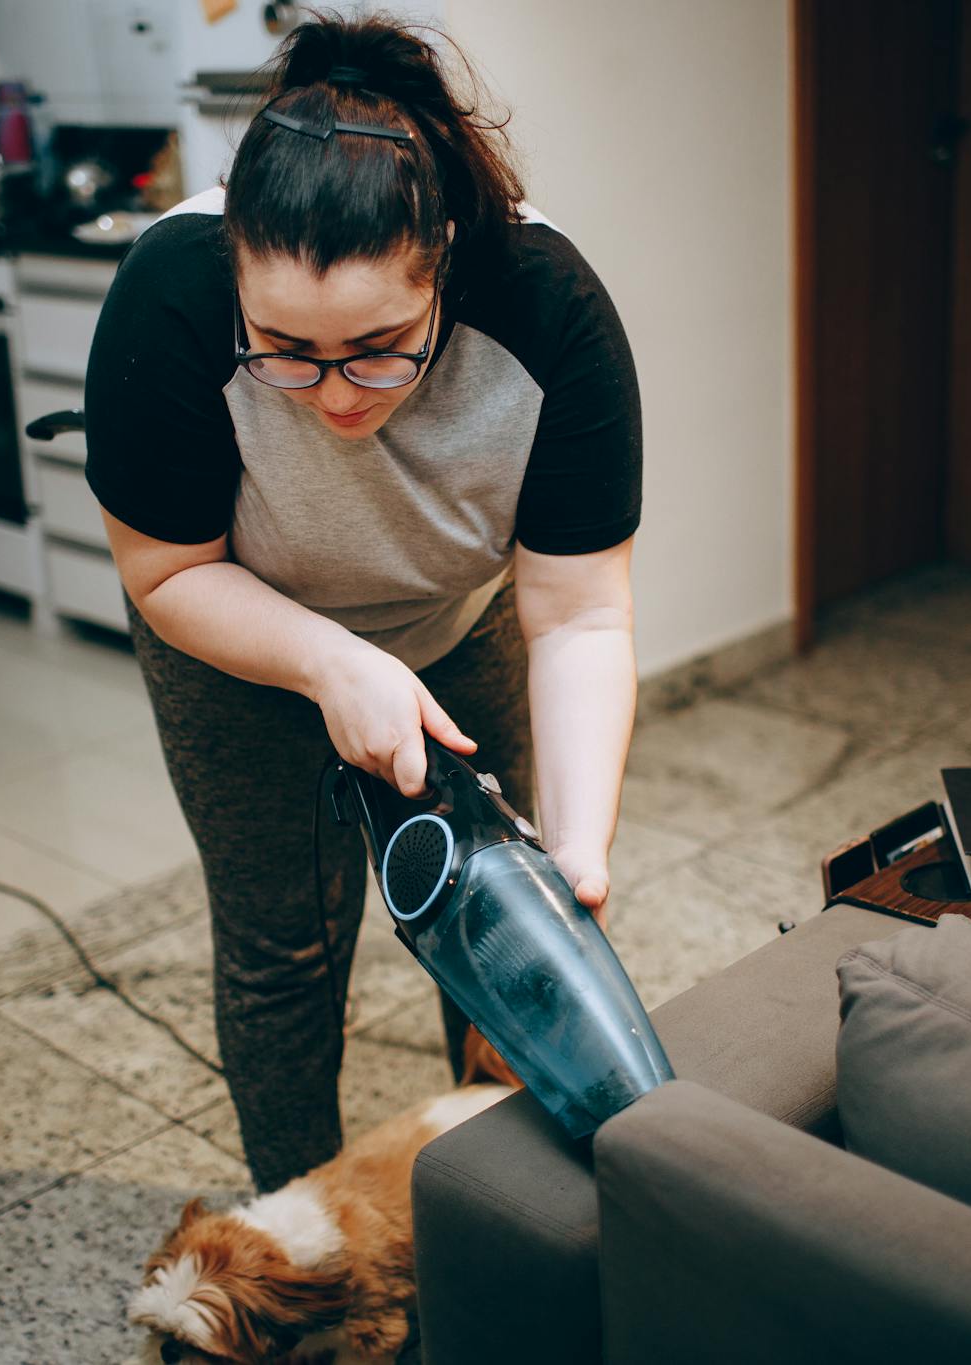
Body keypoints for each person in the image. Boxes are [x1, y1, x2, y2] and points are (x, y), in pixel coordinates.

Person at [83, 14, 641, 1194]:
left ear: (443, 254)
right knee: (284, 947)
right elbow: (165, 573)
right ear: (233, 268)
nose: (333, 395)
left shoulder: (548, 309)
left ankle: (510, 1218)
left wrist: (575, 867)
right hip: (233, 624)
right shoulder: (168, 297)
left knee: (510, 927)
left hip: (455, 614)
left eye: (381, 347)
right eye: (284, 352)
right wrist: (333, 665)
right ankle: (301, 1249)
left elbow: (581, 615)